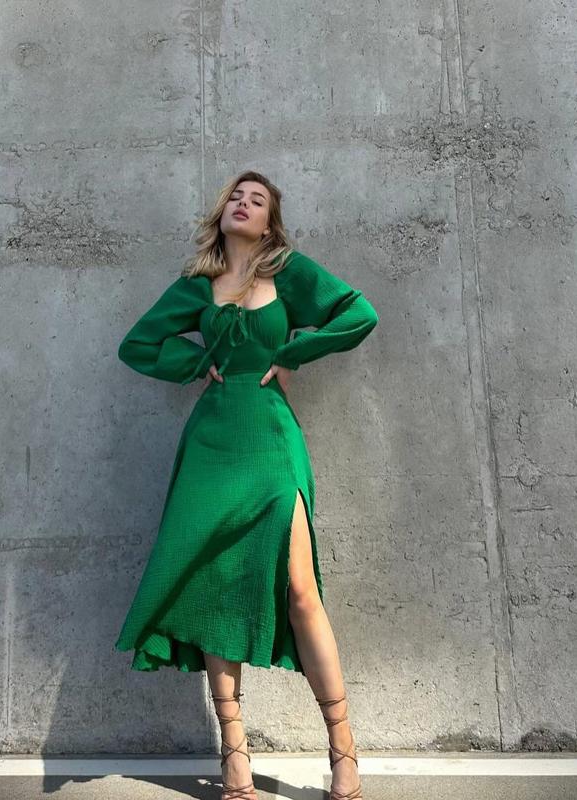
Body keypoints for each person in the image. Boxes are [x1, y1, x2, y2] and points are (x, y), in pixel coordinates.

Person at [114, 170, 379, 800]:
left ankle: (343, 749)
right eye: (236, 195)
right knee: (215, 591)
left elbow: (359, 314)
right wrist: (194, 362)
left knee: (301, 590)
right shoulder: (197, 283)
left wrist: (293, 353)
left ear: (269, 222)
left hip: (271, 440)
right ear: (223, 212)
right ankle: (235, 754)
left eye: (257, 200)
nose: (243, 202)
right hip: (210, 447)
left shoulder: (288, 271)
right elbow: (138, 344)